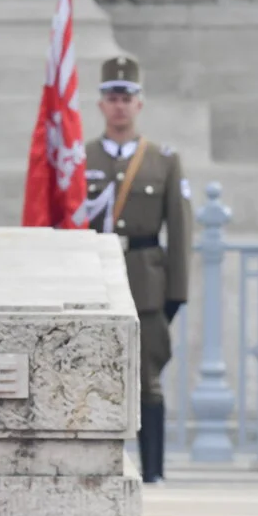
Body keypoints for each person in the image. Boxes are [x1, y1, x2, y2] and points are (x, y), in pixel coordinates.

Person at [77, 55, 192, 484]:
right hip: (93, 277)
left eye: (127, 97)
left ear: (139, 103)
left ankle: (153, 473)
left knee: (148, 383)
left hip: (145, 281)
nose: (119, 105)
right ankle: (94, 472)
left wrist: (175, 295)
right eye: (111, 97)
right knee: (87, 377)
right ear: (101, 104)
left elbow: (179, 231)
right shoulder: (81, 156)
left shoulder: (163, 160)